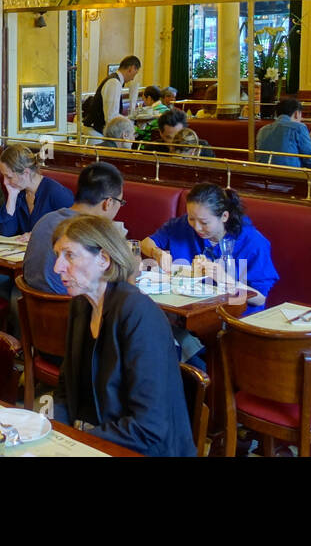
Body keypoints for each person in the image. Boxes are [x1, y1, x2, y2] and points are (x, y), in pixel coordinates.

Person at [51, 214, 196, 456]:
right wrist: (53, 433)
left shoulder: (138, 314)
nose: (57, 267)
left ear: (104, 259)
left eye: (69, 255)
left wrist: (78, 441)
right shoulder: (81, 305)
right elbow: (65, 389)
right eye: (57, 256)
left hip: (142, 450)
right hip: (96, 440)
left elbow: (148, 428)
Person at [140, 184, 279, 317]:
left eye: (204, 223)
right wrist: (156, 252)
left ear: (224, 216)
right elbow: (146, 243)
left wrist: (227, 281)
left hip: (233, 317)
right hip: (185, 311)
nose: (197, 227)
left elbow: (260, 299)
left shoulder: (253, 243)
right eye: (191, 218)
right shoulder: (182, 225)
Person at [24, 162, 125, 295]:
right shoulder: (91, 232)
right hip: (71, 309)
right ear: (108, 203)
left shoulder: (45, 219)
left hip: (30, 307)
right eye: (121, 202)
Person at [0, 144, 73, 238]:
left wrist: (38, 236)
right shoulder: (19, 192)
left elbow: (75, 230)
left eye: (9, 177)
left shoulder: (56, 192)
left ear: (26, 173)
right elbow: (6, 233)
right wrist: (12, 197)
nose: (5, 182)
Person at [255, 97, 311, 169]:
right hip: (290, 176)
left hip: (263, 175)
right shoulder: (298, 128)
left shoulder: (262, 130)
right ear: (296, 114)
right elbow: (310, 159)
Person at [95, 55, 141, 132]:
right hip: (97, 133)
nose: (133, 78)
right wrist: (129, 122)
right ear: (131, 68)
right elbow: (111, 116)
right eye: (135, 74)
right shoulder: (114, 83)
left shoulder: (115, 81)